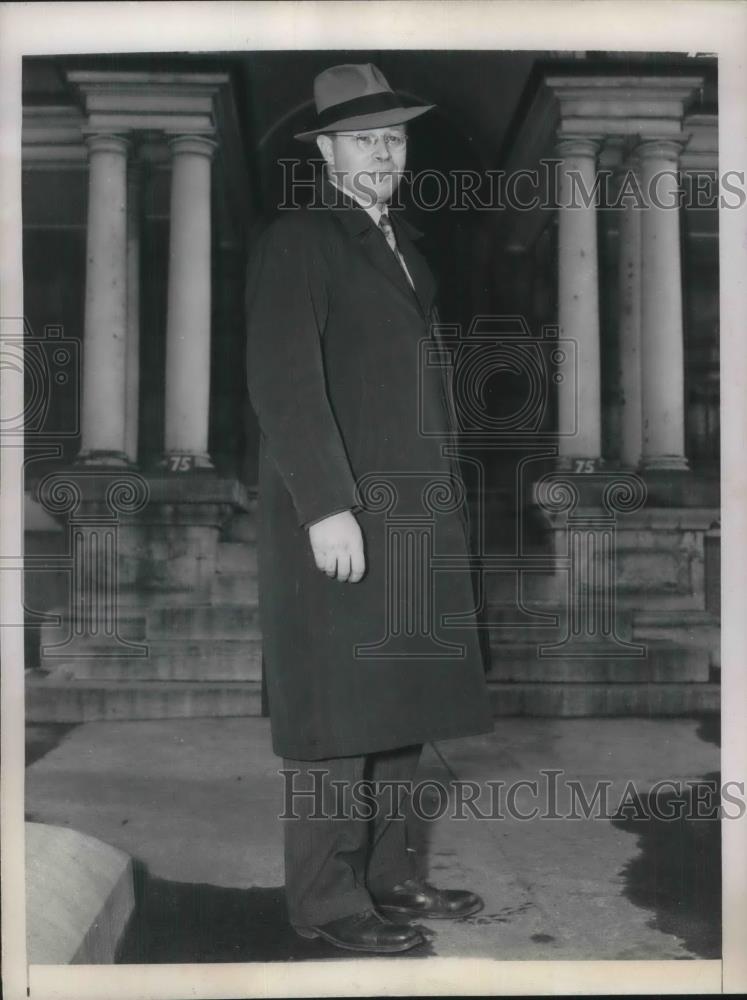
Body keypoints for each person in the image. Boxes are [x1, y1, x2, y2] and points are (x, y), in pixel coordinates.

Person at [245, 62, 493, 955]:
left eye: (392, 136)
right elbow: (284, 384)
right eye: (363, 137)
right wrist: (325, 507)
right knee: (334, 714)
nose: (382, 151)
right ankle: (325, 899)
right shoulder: (300, 239)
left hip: (415, 516)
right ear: (325, 151)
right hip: (345, 515)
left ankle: (388, 876)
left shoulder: (405, 249)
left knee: (400, 701)